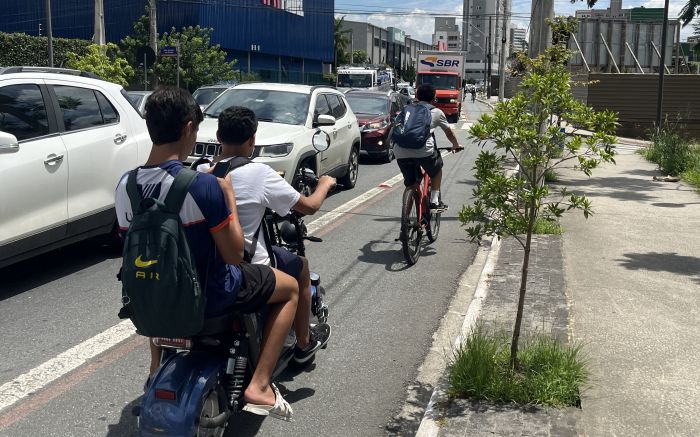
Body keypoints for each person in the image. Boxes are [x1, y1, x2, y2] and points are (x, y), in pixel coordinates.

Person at [114, 87, 297, 420]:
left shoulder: (125, 186)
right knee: (291, 289)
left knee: (159, 279)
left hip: (150, 299)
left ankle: (156, 366)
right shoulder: (203, 185)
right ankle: (259, 384)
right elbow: (233, 255)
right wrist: (226, 195)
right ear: (187, 128)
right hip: (211, 295)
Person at [198, 106, 333, 366]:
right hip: (247, 267)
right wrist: (325, 184)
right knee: (300, 268)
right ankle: (304, 344)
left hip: (207, 263)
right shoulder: (259, 173)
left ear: (218, 136)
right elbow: (309, 206)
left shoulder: (200, 170)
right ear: (252, 140)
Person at [394, 84, 463, 211]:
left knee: (410, 184)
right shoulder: (436, 112)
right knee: (437, 169)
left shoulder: (406, 109)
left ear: (417, 96)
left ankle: (406, 220)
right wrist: (455, 145)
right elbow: (449, 133)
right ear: (434, 98)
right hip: (424, 151)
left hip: (400, 150)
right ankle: (434, 201)